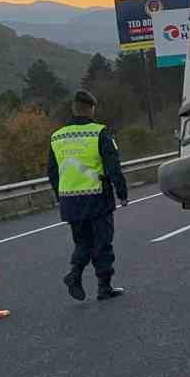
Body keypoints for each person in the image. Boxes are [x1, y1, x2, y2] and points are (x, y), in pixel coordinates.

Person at [48, 89, 129, 301]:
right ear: (91, 108)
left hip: (70, 201)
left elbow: (52, 172)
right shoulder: (100, 132)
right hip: (96, 196)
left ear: (73, 108)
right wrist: (122, 192)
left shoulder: (57, 137)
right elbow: (113, 166)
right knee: (102, 242)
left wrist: (61, 197)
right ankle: (104, 287)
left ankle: (74, 274)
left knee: (83, 242)